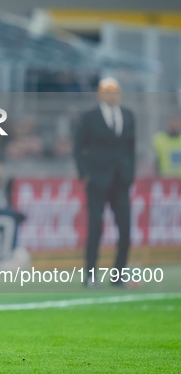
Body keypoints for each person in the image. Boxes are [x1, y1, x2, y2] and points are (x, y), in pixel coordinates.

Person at [74, 78, 136, 288]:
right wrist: (85, 173)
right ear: (100, 94)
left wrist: (130, 173)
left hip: (121, 180)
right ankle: (90, 274)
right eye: (108, 92)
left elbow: (131, 147)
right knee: (95, 228)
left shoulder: (128, 116)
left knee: (126, 228)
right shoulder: (90, 117)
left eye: (116, 92)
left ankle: (119, 273)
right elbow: (78, 147)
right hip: (98, 179)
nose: (112, 96)